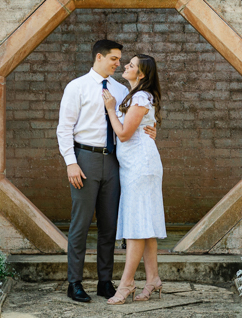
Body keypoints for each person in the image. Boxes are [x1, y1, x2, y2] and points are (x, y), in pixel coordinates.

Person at [56, 39, 156, 303]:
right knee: (80, 223)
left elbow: (133, 120)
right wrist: (70, 161)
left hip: (114, 162)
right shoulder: (76, 87)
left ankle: (105, 282)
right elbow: (64, 128)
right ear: (99, 57)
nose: (118, 63)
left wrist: (152, 130)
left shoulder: (122, 90)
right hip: (85, 158)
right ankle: (74, 282)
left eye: (121, 59)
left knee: (109, 226)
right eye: (114, 58)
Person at [101, 54, 166, 304]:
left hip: (141, 165)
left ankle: (127, 283)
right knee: (144, 225)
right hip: (135, 164)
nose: (126, 66)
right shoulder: (137, 95)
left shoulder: (140, 96)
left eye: (131, 65)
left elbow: (125, 134)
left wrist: (109, 110)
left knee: (137, 227)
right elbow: (142, 126)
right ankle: (153, 280)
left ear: (141, 74)